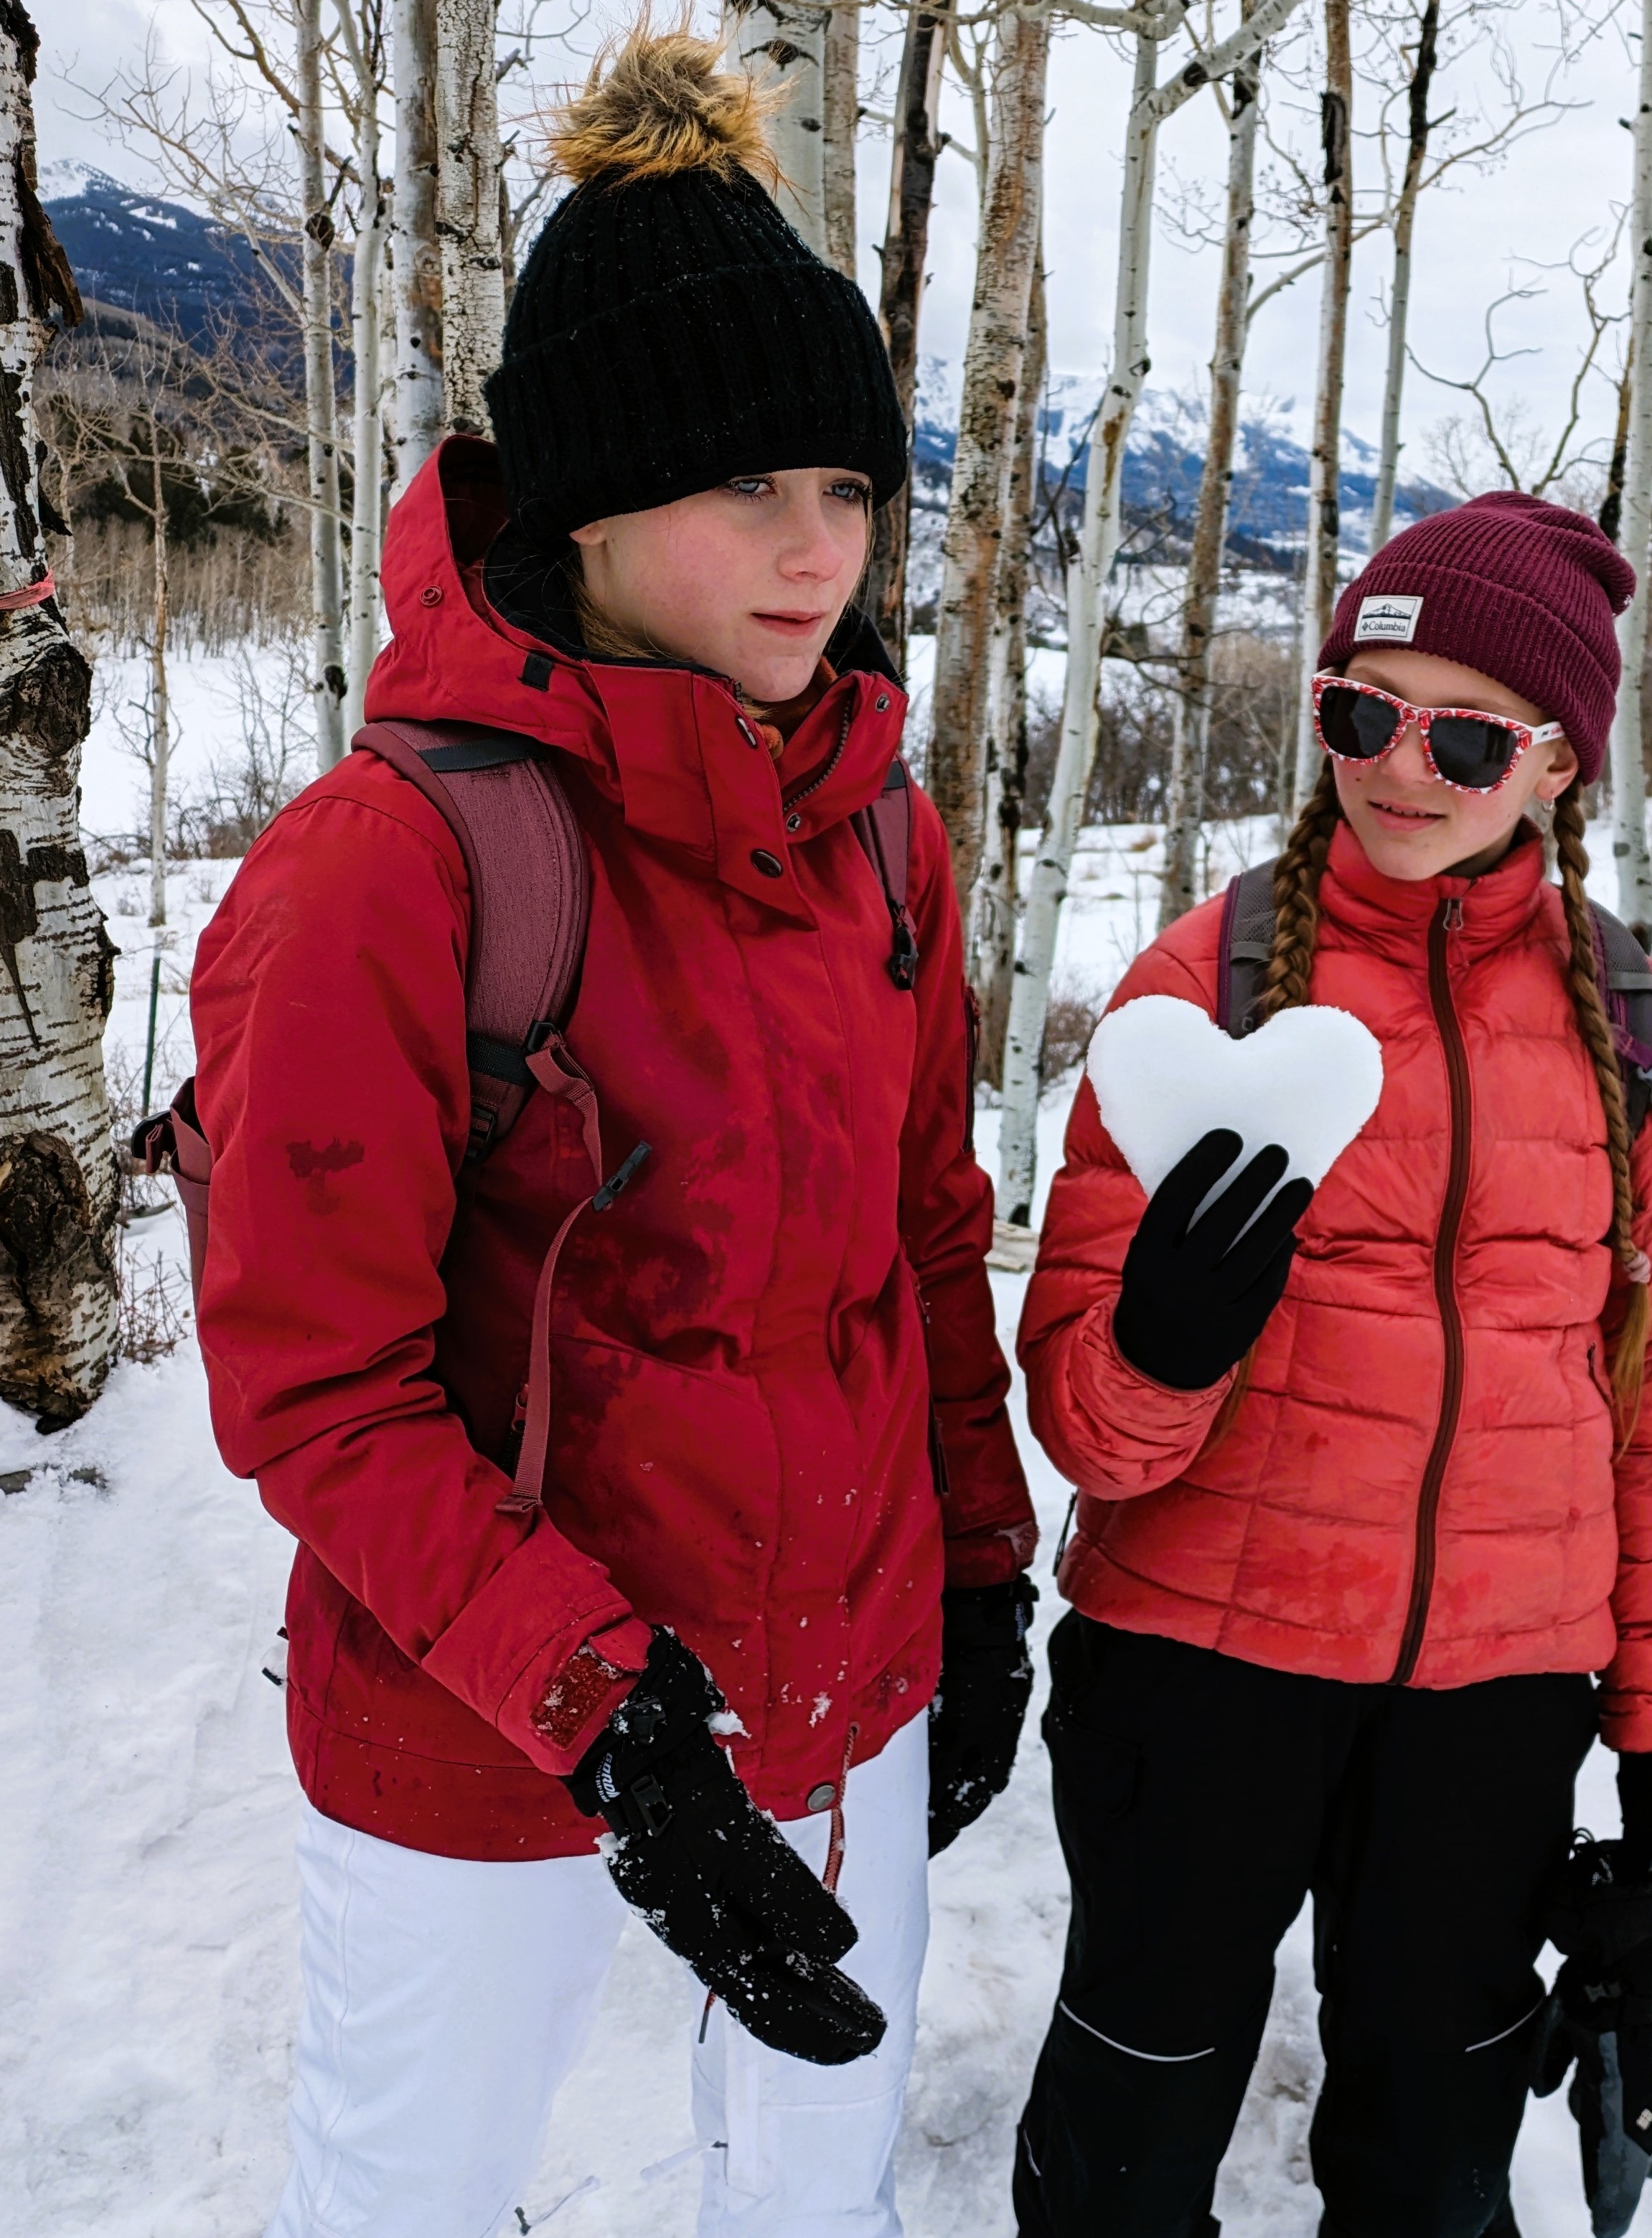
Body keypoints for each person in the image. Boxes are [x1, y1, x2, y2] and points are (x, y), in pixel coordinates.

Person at [189, 32, 1036, 2237]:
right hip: (484, 1736)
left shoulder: (882, 838)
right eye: (745, 487)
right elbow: (316, 1387)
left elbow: (926, 1242)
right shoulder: (398, 864)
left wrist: (982, 1569)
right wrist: (609, 1718)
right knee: (406, 2203)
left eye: (848, 491)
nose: (813, 551)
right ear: (583, 499)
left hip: (839, 1680)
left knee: (811, 2189)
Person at [1010, 494, 1652, 2237]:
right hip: (1199, 1678)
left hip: (1490, 1708)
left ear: (1559, 767)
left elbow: (1651, 1425)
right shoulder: (1205, 993)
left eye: (1469, 735)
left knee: (1433, 2160)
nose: (1403, 768)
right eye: (1362, 712)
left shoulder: (1639, 1036)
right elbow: (1090, 1433)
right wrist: (1161, 1349)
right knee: (1130, 2136)